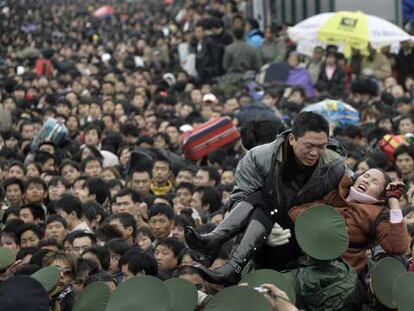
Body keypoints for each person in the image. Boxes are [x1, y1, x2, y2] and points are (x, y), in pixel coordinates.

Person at [185, 112, 348, 285]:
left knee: (263, 199)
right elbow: (240, 200)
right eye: (309, 146)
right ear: (292, 139)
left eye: (321, 146)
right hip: (258, 233)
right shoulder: (259, 157)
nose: (315, 153)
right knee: (262, 199)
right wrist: (265, 231)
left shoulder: (334, 166)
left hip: (306, 233)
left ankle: (221, 246)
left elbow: (349, 200)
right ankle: (227, 254)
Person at [289, 168, 410, 272]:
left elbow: (398, 247)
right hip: (307, 259)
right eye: (366, 175)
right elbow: (294, 211)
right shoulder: (336, 192)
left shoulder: (378, 214)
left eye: (374, 182)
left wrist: (393, 201)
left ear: (381, 195)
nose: (366, 180)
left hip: (342, 273)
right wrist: (322, 223)